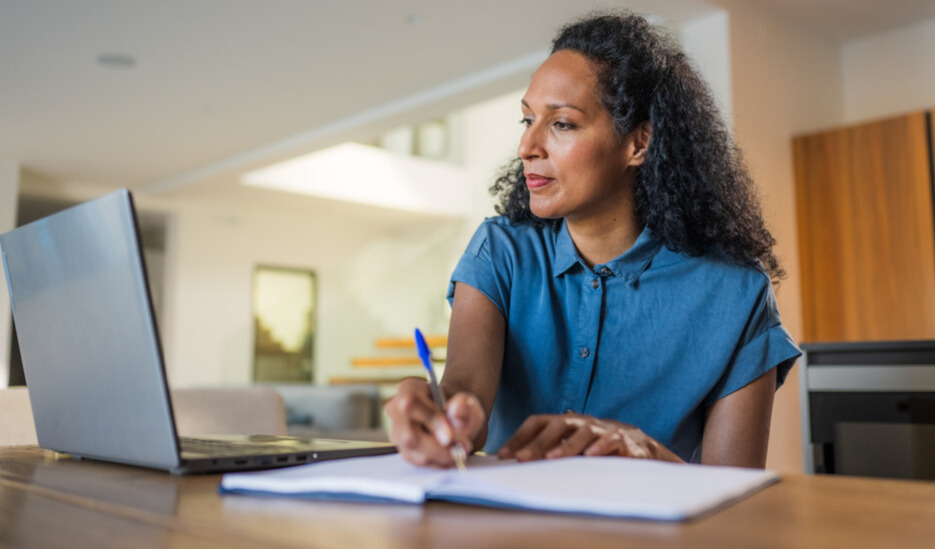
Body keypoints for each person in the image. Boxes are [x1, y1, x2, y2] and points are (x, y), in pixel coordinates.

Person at [384, 12, 801, 469]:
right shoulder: (501, 252)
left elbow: (736, 503)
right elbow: (467, 394)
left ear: (639, 144)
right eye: (527, 120)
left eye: (562, 124)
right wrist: (440, 413)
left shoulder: (736, 294)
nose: (527, 146)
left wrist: (644, 451)